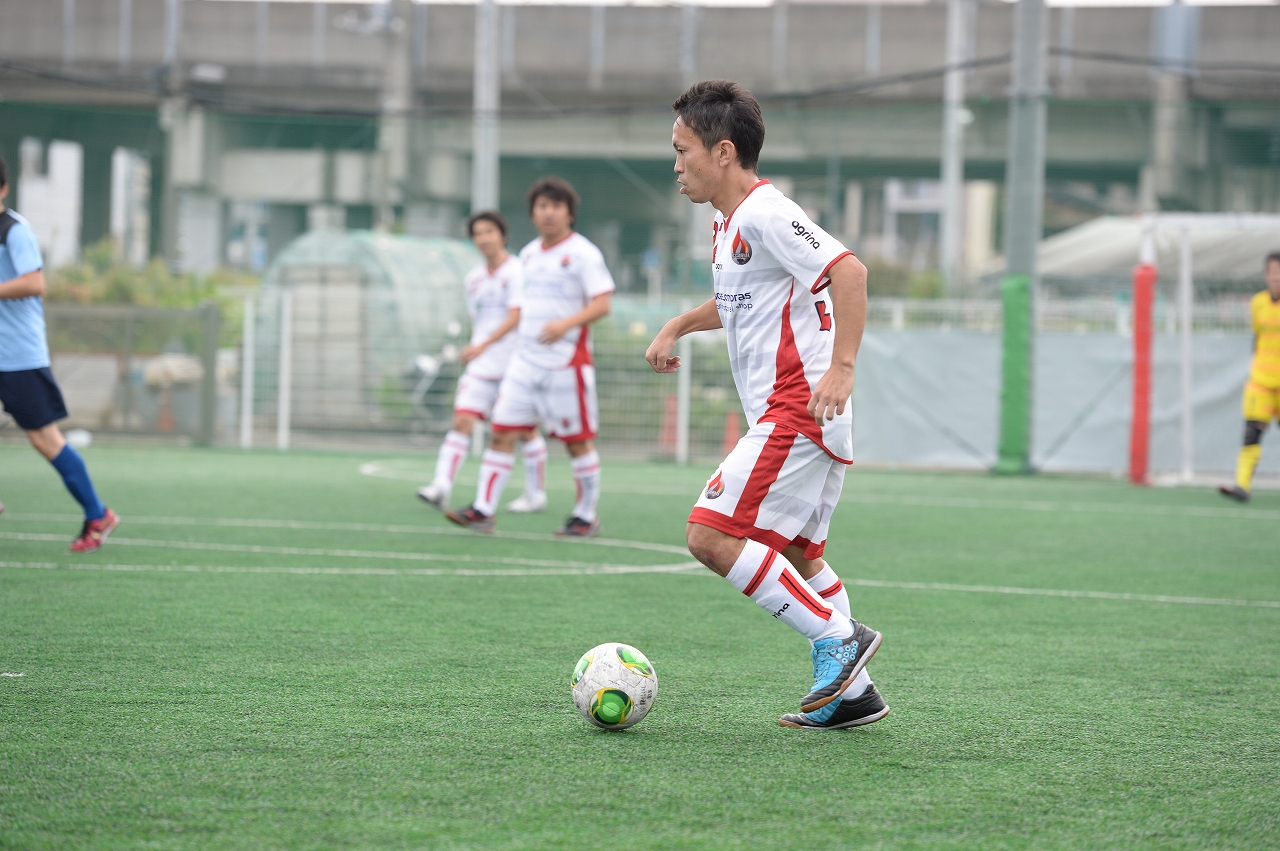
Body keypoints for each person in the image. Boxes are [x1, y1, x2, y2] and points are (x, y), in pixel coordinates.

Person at [645, 80, 887, 730]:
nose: (676, 165)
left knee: (709, 535)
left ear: (723, 152)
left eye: (683, 151)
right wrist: (678, 325)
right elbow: (736, 302)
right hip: (806, 415)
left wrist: (842, 367)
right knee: (803, 557)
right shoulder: (730, 223)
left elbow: (850, 272)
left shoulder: (765, 213)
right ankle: (854, 694)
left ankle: (838, 639)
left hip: (798, 408)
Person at [446, 178, 614, 537]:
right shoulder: (528, 255)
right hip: (524, 362)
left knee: (576, 442)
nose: (548, 213)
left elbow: (603, 304)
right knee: (501, 432)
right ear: (532, 213)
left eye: (556, 206)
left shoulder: (583, 253)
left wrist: (565, 324)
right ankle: (483, 510)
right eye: (541, 206)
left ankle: (585, 516)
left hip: (565, 363)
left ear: (569, 213)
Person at [0, 155, 119, 552]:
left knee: (44, 439)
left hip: (19, 355)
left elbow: (35, 283)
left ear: (3, 189)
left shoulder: (14, 230)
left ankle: (98, 514)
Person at [417, 211, 547, 514]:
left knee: (525, 431)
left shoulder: (517, 271)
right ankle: (440, 486)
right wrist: (478, 348)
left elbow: (516, 317)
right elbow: (478, 319)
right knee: (461, 420)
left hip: (514, 365)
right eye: (478, 233)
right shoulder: (473, 278)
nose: (484, 238)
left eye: (489, 231)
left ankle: (535, 493)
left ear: (502, 235)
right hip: (481, 366)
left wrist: (481, 345)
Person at [1219, 251, 1280, 502]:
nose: (1276, 277)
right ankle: (1242, 486)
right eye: (1272, 272)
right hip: (1261, 381)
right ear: (1266, 275)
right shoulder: (1257, 303)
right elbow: (1257, 338)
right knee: (1251, 433)